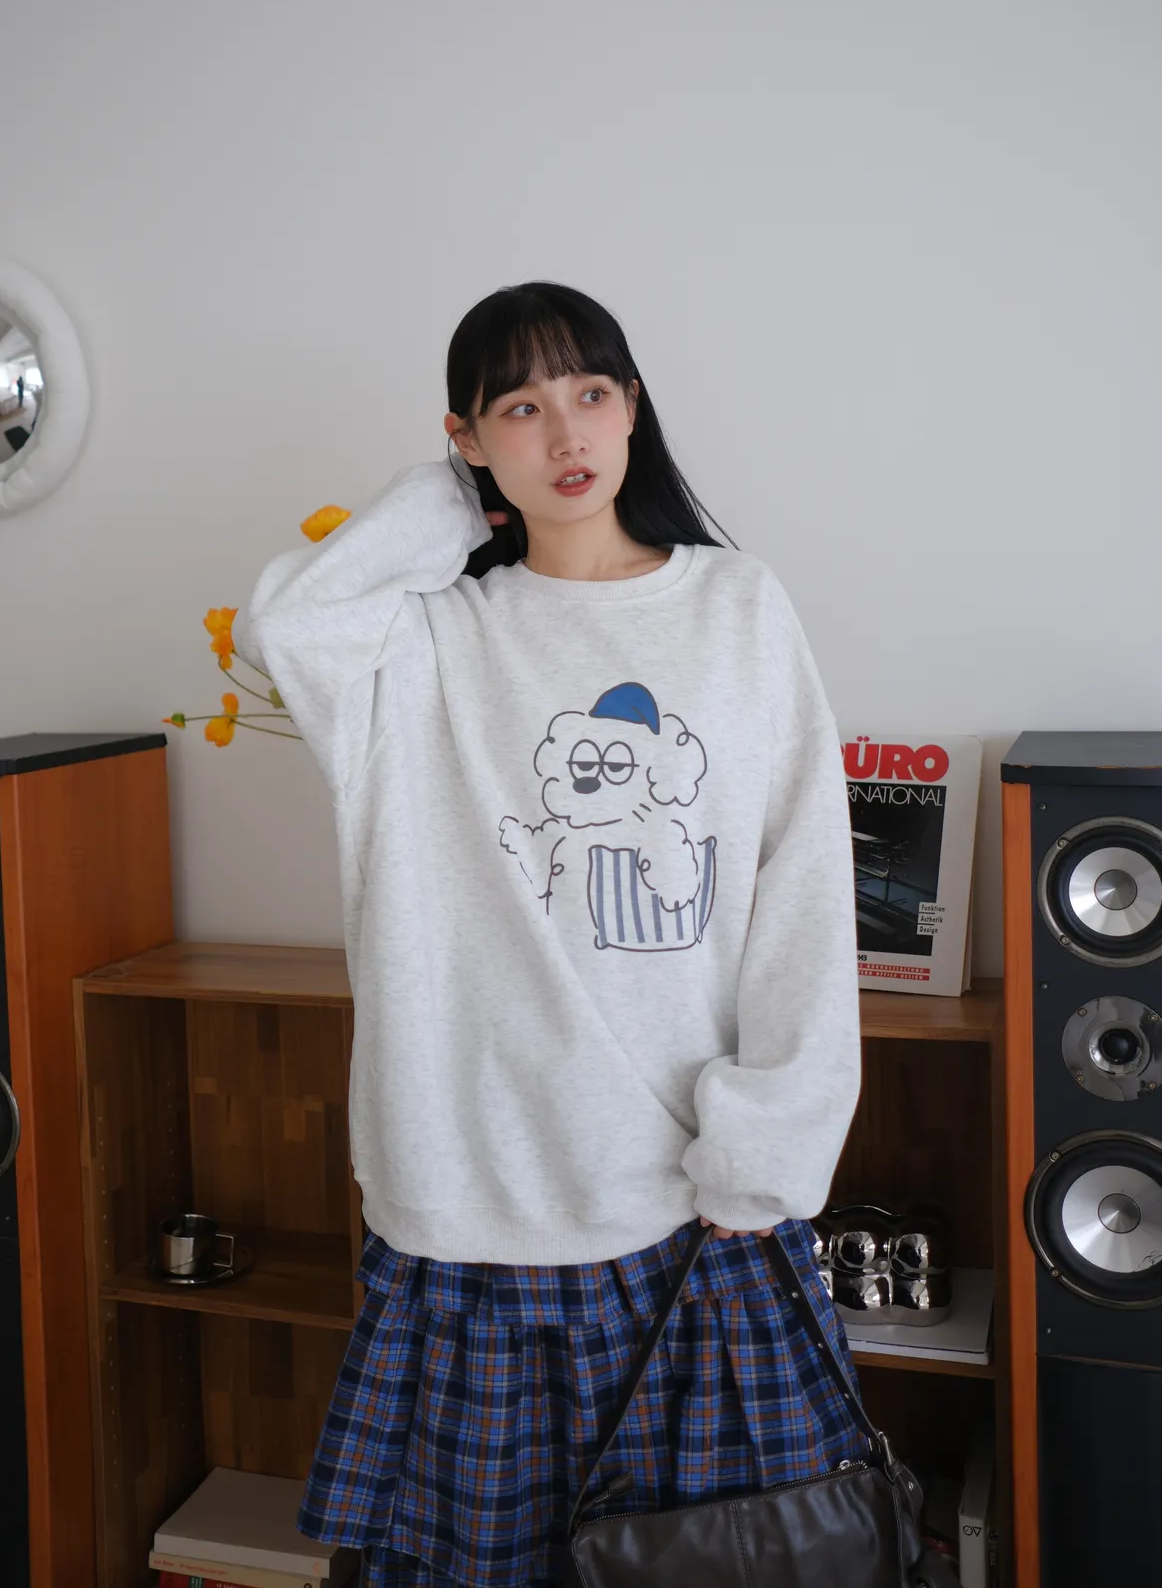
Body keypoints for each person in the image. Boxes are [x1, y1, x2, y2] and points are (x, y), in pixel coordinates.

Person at [234, 281, 868, 1588]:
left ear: (634, 408)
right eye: (520, 408)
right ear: (467, 438)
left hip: (696, 1209)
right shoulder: (420, 646)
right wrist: (449, 504)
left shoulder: (738, 608)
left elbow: (804, 885)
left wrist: (768, 1154)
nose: (566, 432)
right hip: (475, 1210)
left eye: (590, 392)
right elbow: (289, 623)